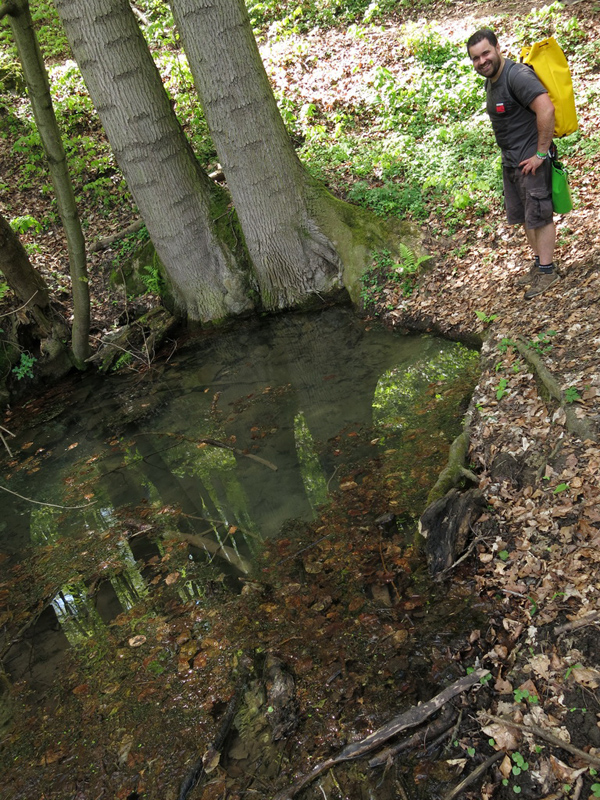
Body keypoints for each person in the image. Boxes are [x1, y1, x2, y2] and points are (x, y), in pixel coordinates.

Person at [467, 29, 559, 300]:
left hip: (532, 160)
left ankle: (548, 272)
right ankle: (539, 265)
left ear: (497, 47)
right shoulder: (492, 80)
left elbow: (547, 109)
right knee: (526, 216)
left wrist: (541, 154)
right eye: (476, 58)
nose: (482, 61)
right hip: (513, 162)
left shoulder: (517, 76)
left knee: (540, 216)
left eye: (486, 53)